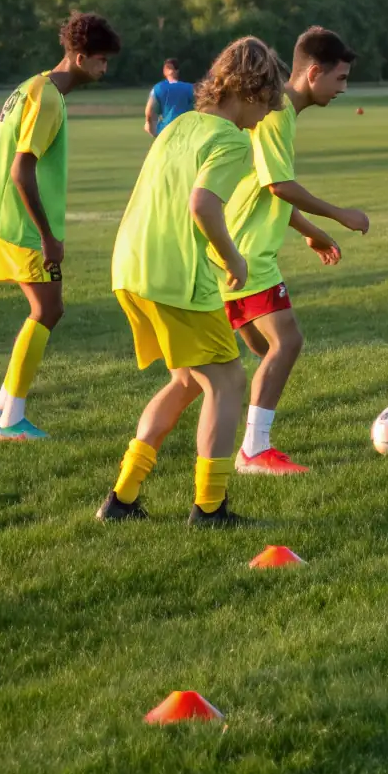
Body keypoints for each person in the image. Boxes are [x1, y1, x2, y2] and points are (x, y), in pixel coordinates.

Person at [98, 36, 282, 527]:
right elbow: (202, 204)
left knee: (185, 380)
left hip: (130, 267)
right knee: (227, 380)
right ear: (248, 90)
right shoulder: (231, 140)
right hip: (175, 274)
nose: (265, 116)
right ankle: (210, 507)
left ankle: (122, 497)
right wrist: (233, 257)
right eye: (265, 103)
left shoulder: (176, 127)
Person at [217, 26, 371, 475]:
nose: (343, 89)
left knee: (263, 354)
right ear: (314, 73)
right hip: (247, 253)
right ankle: (253, 450)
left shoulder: (274, 113)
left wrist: (307, 231)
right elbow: (278, 184)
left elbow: (266, 189)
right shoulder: (277, 114)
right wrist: (338, 215)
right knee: (287, 342)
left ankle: (245, 443)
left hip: (232, 249)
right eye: (340, 80)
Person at [0, 12, 122, 440]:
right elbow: (22, 170)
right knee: (48, 310)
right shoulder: (49, 98)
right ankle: (11, 421)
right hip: (22, 223)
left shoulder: (31, 86)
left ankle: (2, 407)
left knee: (47, 309)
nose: (104, 69)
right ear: (77, 56)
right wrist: (48, 237)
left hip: (3, 217)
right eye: (100, 60)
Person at [145, 58, 195, 137]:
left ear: (164, 71)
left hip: (166, 131)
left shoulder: (158, 88)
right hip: (187, 131)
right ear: (177, 71)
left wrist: (154, 130)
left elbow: (149, 113)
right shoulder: (190, 88)